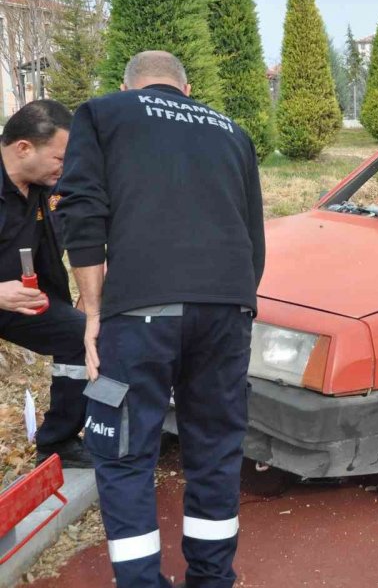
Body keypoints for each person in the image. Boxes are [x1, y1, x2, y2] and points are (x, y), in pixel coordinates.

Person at [57, 51, 265, 588]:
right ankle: (213, 578)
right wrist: (233, 306)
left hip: (141, 312)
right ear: (186, 89)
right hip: (227, 309)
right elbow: (253, 239)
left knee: (123, 452)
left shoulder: (104, 114)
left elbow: (82, 212)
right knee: (216, 452)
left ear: (130, 86)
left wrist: (93, 311)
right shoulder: (233, 133)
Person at [0, 99, 90, 469]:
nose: (64, 167)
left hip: (24, 302)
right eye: (59, 158)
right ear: (24, 148)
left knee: (83, 335)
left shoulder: (44, 185)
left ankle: (59, 442)